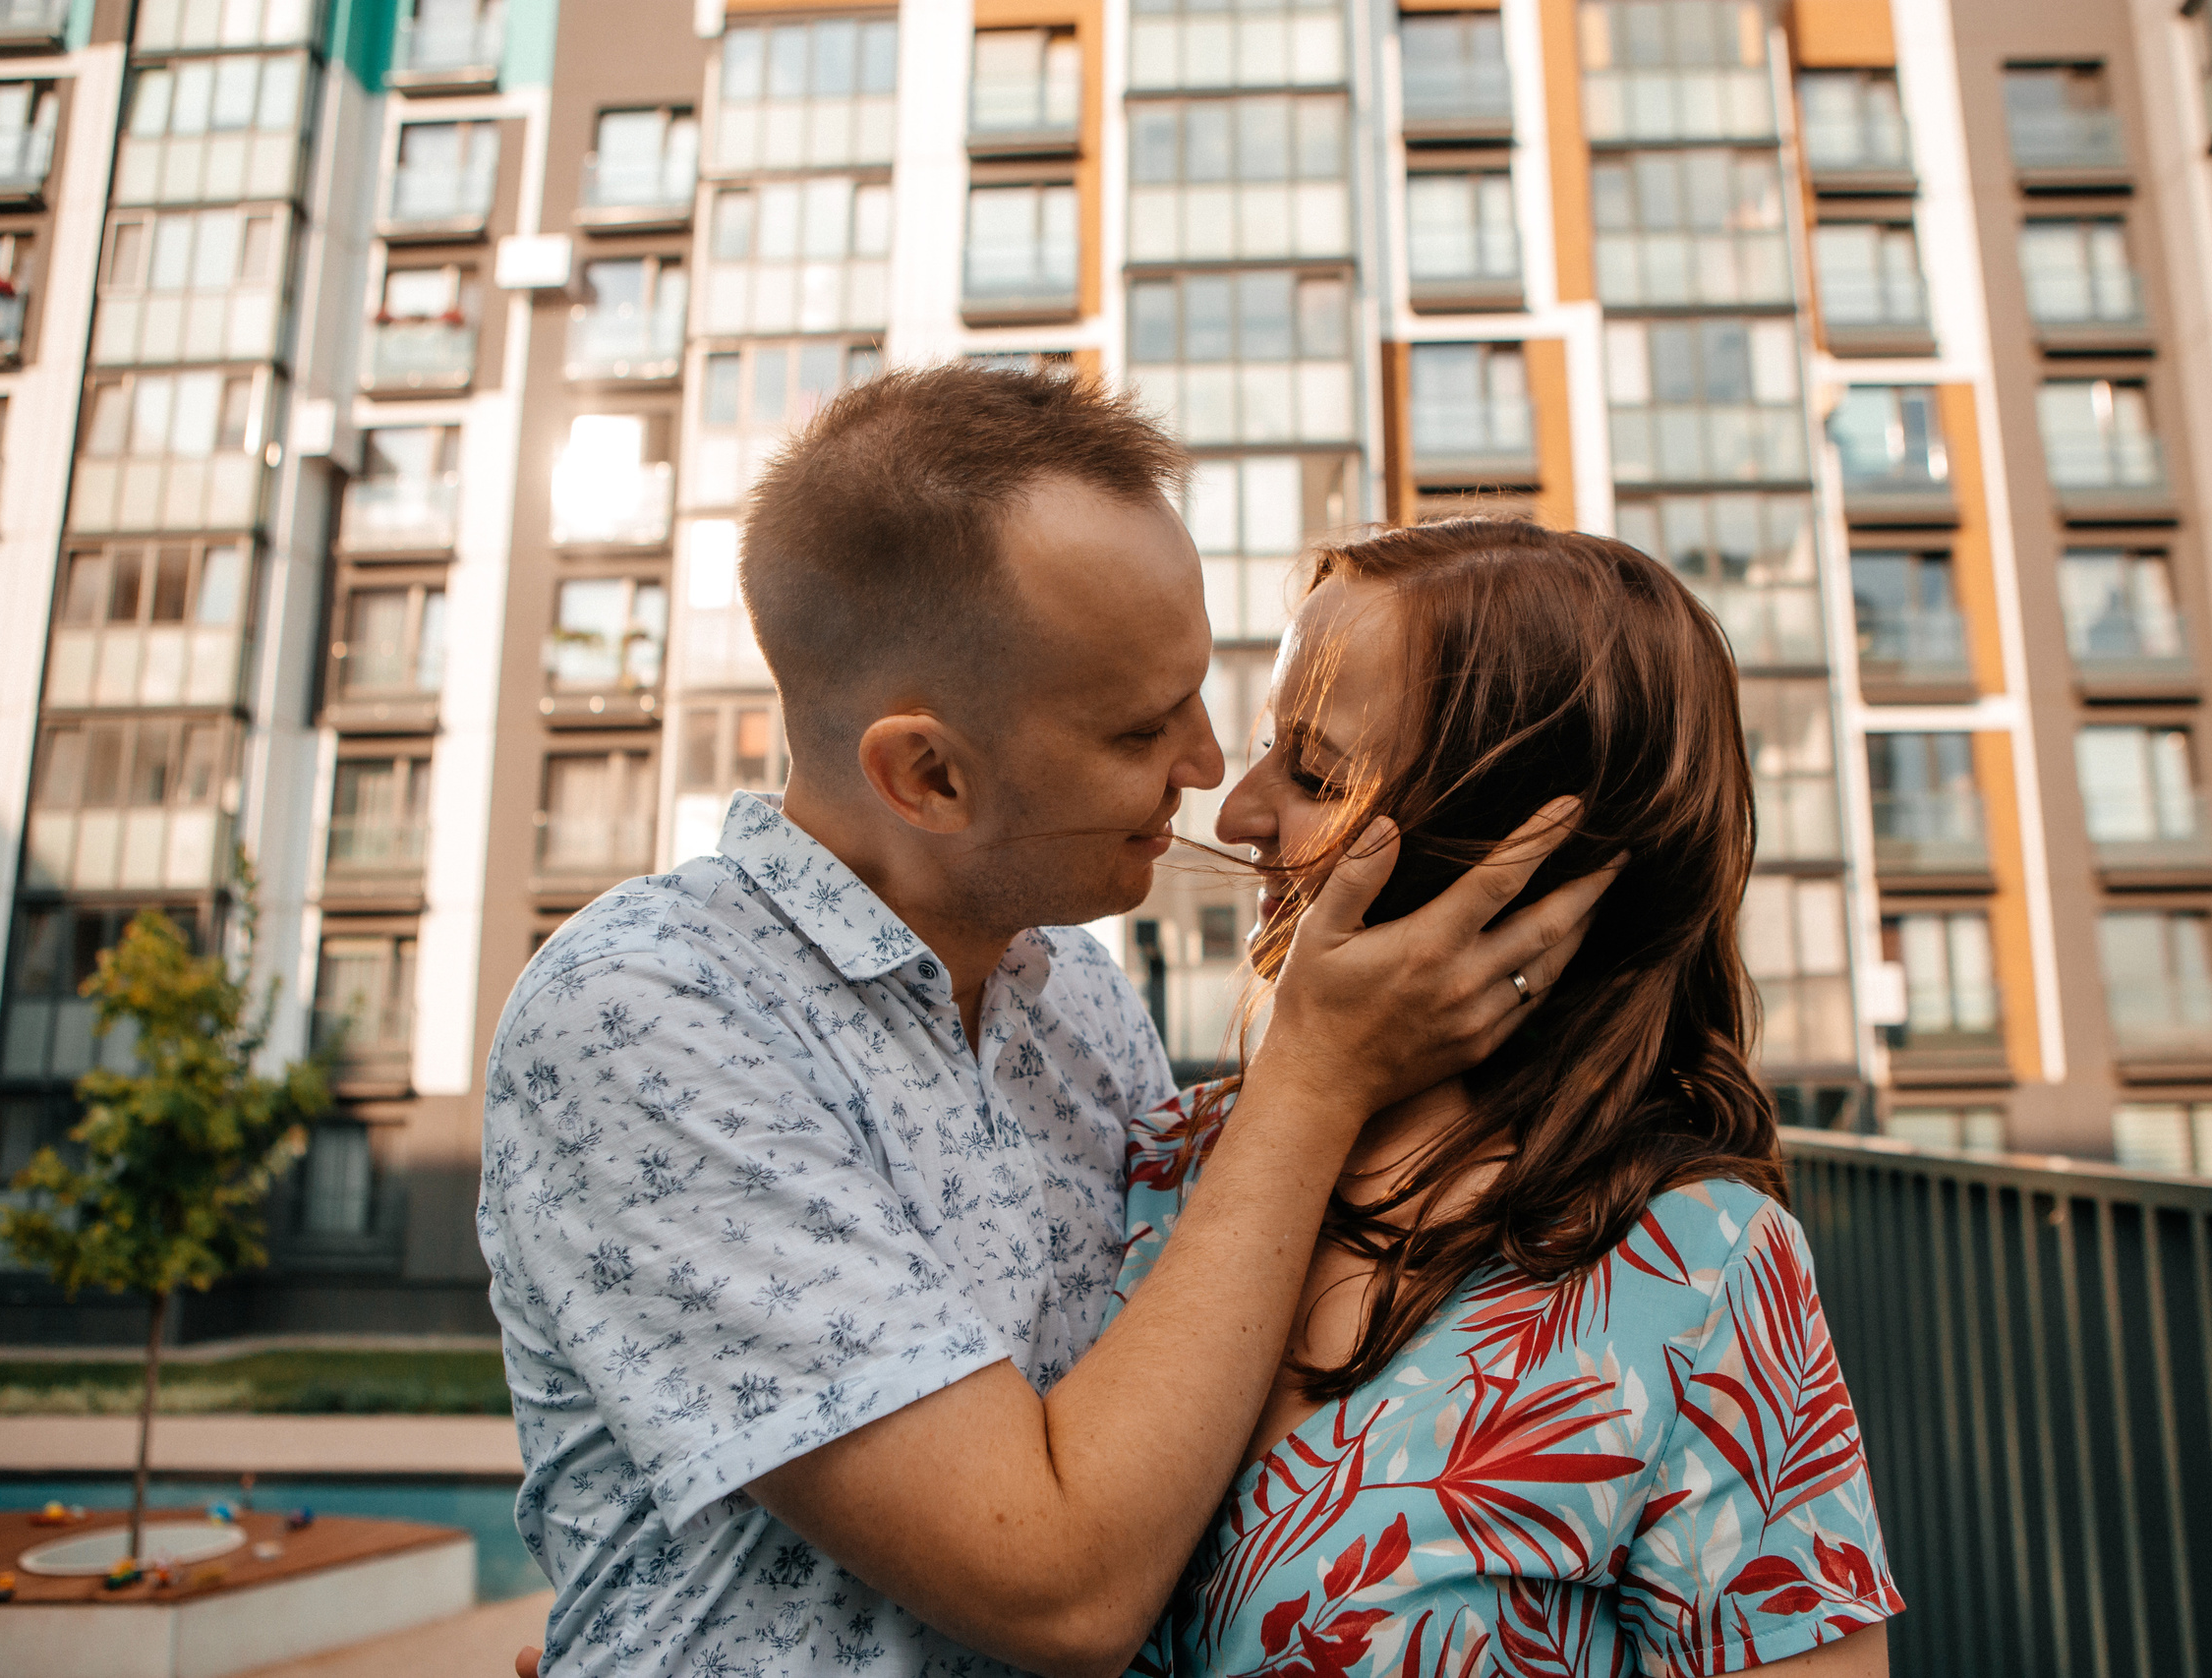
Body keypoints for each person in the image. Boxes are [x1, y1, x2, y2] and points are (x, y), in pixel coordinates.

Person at [480, 368, 1613, 1678]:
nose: (1206, 766)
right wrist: (1313, 1073)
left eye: (1199, 693)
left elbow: (1176, 1431)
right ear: (931, 774)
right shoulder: (649, 1008)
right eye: (1142, 725)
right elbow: (1060, 1588)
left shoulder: (1075, 997)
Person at [1110, 518, 1903, 1676]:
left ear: (1523, 855)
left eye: (1315, 771)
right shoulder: (1137, 1164)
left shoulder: (1696, 1266)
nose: (1235, 815)